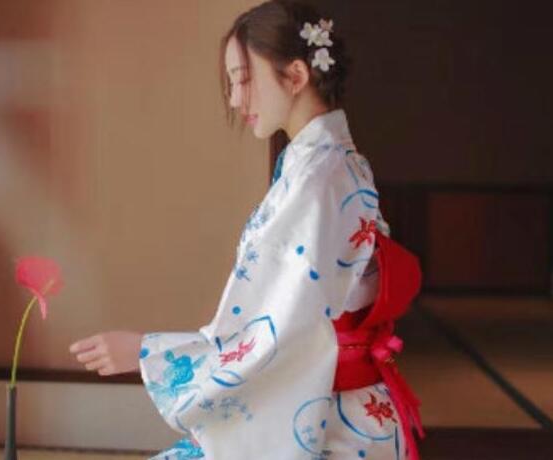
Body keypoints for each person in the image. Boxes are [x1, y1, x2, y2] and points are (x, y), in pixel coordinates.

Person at [70, 1, 424, 458]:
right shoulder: (326, 164)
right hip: (333, 404)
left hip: (329, 421)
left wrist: (146, 350)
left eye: (243, 79)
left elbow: (276, 330)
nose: (236, 100)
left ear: (295, 76)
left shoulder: (318, 180)